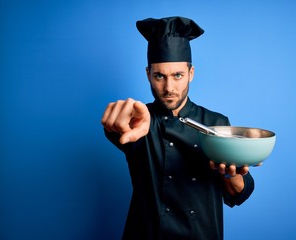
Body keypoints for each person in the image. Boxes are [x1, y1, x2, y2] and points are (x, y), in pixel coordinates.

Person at [101, 16, 255, 240]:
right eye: (159, 76)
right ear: (148, 75)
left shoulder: (216, 123)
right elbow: (116, 129)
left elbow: (239, 194)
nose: (169, 87)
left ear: (191, 74)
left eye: (178, 75)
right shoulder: (139, 121)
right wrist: (116, 121)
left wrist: (230, 174)